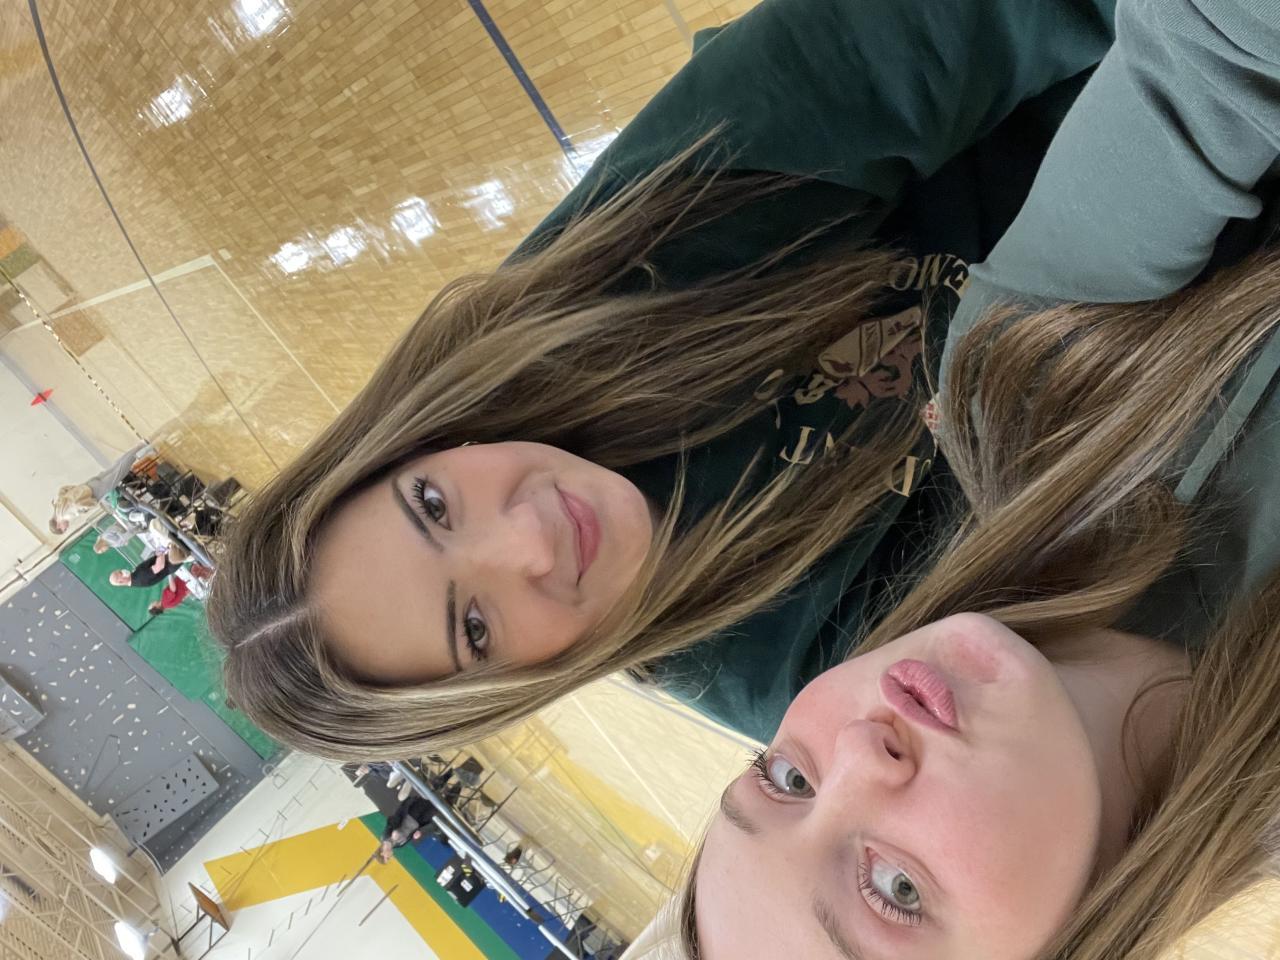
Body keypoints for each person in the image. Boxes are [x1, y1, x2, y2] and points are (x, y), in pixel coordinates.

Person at [48, 442, 153, 535]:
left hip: (95, 492)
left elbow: (78, 505)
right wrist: (77, 489)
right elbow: (62, 490)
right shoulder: (58, 507)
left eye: (64, 529)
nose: (67, 528)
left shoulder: (65, 515)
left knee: (121, 471)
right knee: (115, 467)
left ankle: (142, 448)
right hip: (88, 485)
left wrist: (92, 503)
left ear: (58, 525)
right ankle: (139, 446)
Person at [375, 792, 435, 863]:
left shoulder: (385, 836)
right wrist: (418, 833)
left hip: (412, 814)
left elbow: (394, 818)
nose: (390, 857)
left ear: (382, 853)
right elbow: (411, 836)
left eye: (387, 858)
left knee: (428, 797)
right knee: (435, 806)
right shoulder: (398, 845)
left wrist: (407, 803)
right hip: (419, 822)